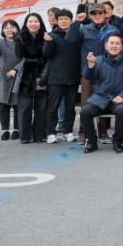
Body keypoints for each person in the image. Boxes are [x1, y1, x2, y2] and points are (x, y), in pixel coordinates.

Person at [67, 3, 120, 143]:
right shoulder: (83, 28)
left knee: (104, 101)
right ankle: (83, 132)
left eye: (100, 13)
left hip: (106, 72)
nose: (97, 15)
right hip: (88, 72)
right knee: (86, 103)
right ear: (90, 16)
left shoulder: (113, 30)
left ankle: (103, 131)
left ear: (105, 14)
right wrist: (77, 22)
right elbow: (70, 40)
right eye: (94, 13)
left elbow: (118, 49)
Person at [79, 34, 123, 153]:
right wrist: (90, 65)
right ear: (106, 46)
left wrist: (122, 96)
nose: (114, 46)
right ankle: (91, 141)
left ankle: (118, 141)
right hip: (100, 98)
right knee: (85, 111)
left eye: (117, 43)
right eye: (111, 43)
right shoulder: (98, 60)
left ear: (122, 46)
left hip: (119, 99)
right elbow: (88, 77)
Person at [42, 9, 81, 144]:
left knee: (70, 108)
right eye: (61, 19)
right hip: (55, 79)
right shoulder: (52, 35)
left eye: (67, 18)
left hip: (72, 78)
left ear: (71, 20)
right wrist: (48, 42)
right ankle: (51, 133)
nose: (64, 21)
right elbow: (46, 54)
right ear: (57, 21)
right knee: (53, 107)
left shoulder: (76, 35)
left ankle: (68, 131)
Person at [14, 13, 48, 144]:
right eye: (30, 21)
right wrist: (17, 41)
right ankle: (25, 136)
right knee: (25, 106)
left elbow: (48, 55)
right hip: (26, 74)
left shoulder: (46, 36)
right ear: (26, 24)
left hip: (42, 72)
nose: (33, 24)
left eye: (36, 21)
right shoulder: (20, 37)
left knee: (41, 106)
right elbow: (18, 55)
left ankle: (39, 135)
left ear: (40, 23)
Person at [0, 20, 20, 141]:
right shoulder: (0, 42)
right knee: (3, 105)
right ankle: (5, 130)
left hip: (17, 76)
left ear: (17, 29)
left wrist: (16, 69)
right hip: (2, 77)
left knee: (17, 105)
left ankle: (17, 130)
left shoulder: (20, 42)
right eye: (6, 28)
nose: (9, 30)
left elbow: (24, 58)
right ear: (3, 30)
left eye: (12, 27)